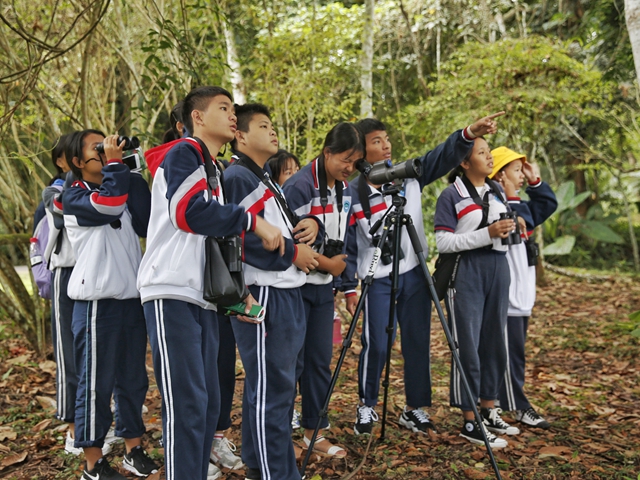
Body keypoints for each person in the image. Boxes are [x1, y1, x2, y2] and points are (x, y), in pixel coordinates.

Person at [138, 87, 284, 480]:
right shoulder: (184, 152)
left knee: (206, 403)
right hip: (170, 291)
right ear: (197, 117)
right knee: (187, 404)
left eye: (233, 108)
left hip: (202, 298)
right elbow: (188, 213)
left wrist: (239, 293)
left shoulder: (212, 170)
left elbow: (214, 244)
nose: (233, 115)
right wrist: (251, 220)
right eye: (223, 108)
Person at [346, 114, 503, 437]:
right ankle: (367, 404)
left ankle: (414, 407)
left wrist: (469, 133)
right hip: (377, 277)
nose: (386, 145)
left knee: (418, 342)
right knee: (377, 343)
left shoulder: (409, 175)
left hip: (415, 273)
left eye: (386, 138)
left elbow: (442, 155)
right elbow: (348, 242)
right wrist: (349, 286)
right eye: (376, 141)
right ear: (361, 151)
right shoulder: (352, 193)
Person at [224, 102, 321, 480]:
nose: (273, 131)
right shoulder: (238, 177)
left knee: (272, 384)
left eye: (272, 125)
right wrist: (294, 254)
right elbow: (241, 238)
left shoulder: (263, 178)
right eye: (263, 126)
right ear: (240, 135)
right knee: (272, 389)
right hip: (263, 292)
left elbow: (281, 229)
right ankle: (274, 473)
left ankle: (259, 463)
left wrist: (310, 224)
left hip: (286, 291)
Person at [61, 129, 158, 478]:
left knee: (133, 380)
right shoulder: (74, 195)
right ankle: (93, 461)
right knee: (95, 384)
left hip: (130, 300)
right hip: (96, 304)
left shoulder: (119, 184)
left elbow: (146, 222)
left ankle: (133, 448)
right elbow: (108, 206)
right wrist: (116, 166)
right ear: (77, 161)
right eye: (97, 148)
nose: (105, 151)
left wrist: (132, 171)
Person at [434, 136, 520, 449]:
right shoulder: (451, 195)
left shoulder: (497, 190)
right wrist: (487, 233)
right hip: (466, 271)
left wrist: (507, 228)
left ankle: (488, 408)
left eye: (488, 151)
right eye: (482, 152)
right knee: (467, 345)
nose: (489, 156)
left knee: (495, 340)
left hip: (498, 267)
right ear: (464, 162)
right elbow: (443, 242)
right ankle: (470, 420)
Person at [284, 123, 363, 458]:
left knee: (318, 361)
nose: (350, 168)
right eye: (345, 159)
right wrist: (330, 265)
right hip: (294, 288)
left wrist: (344, 282)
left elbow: (345, 239)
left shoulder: (344, 188)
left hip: (323, 290)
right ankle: (279, 433)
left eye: (356, 162)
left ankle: (314, 432)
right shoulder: (300, 186)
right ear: (327, 152)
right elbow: (292, 244)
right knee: (291, 362)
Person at [490, 146, 557, 429]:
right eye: (516, 171)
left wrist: (534, 180)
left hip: (523, 294)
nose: (521, 176)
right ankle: (516, 405)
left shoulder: (522, 207)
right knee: (510, 354)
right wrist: (510, 193)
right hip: (507, 295)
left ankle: (503, 402)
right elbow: (508, 215)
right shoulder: (493, 205)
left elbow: (547, 204)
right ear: (500, 175)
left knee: (514, 351)